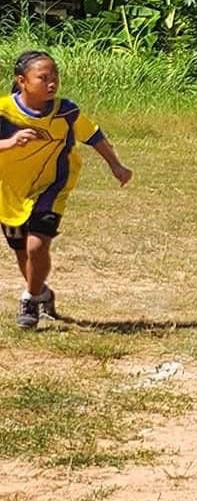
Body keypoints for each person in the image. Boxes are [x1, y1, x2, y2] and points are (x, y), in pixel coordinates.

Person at [2, 50, 133, 330]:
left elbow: (94, 136)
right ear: (22, 81)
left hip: (52, 186)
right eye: (43, 77)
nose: (52, 83)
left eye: (55, 77)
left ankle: (29, 299)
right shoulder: (3, 111)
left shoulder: (66, 111)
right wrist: (10, 143)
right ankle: (42, 292)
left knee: (37, 245)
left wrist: (116, 166)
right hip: (9, 192)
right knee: (22, 253)